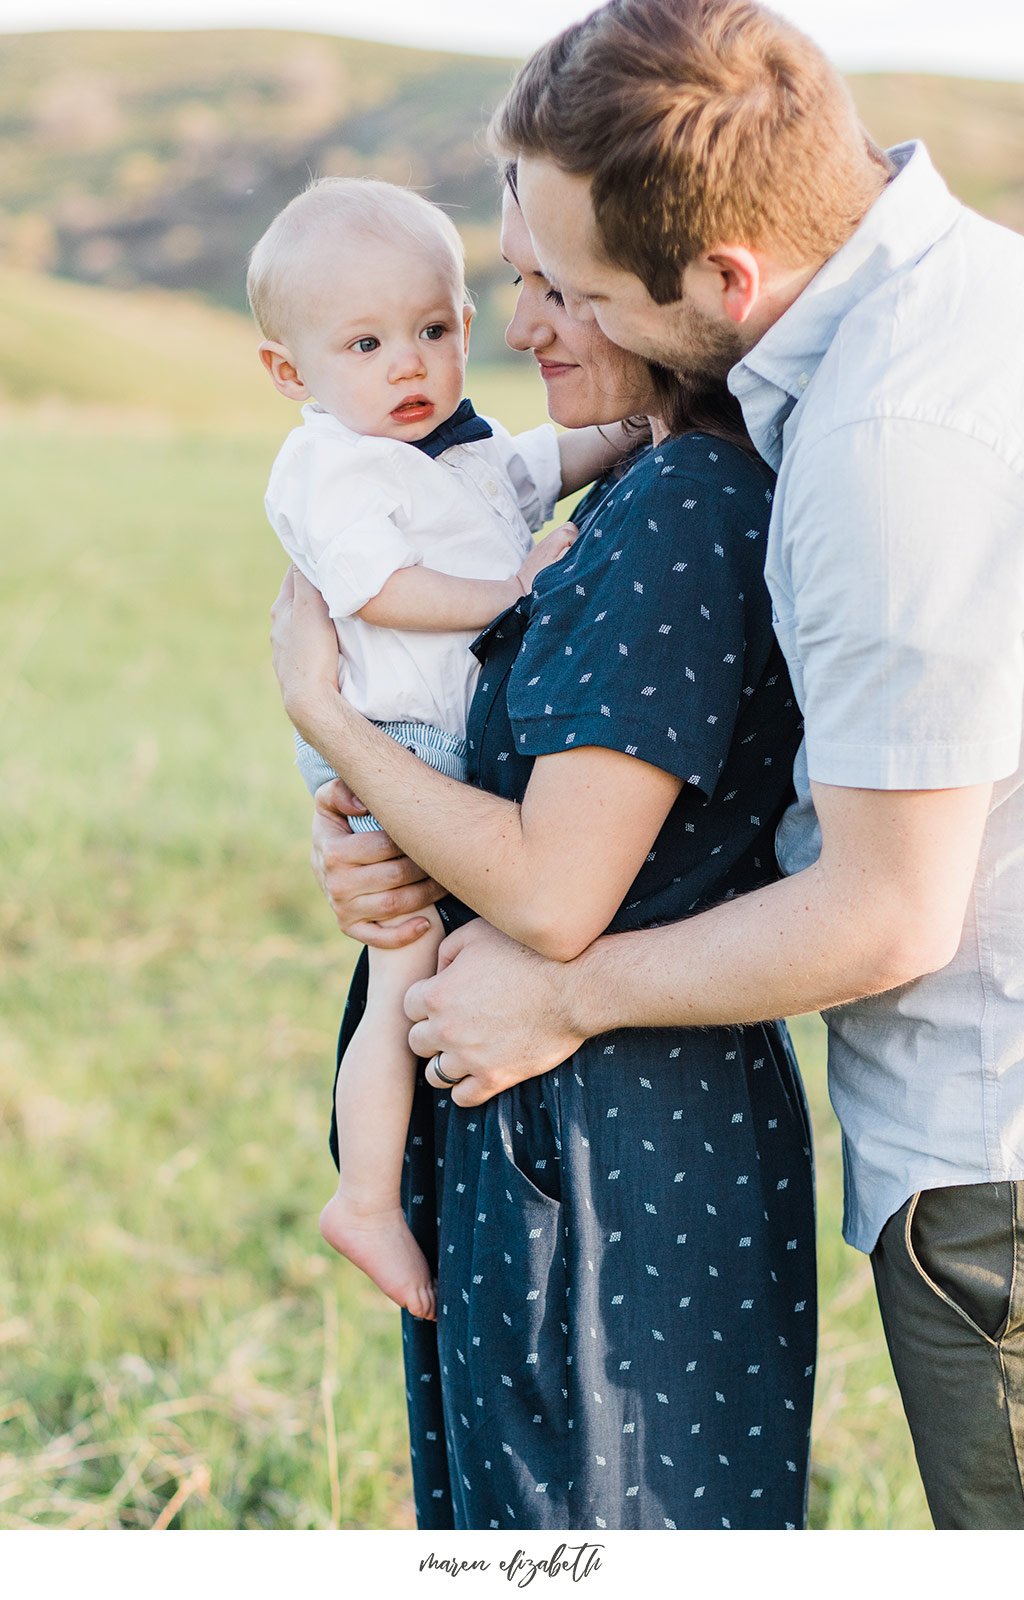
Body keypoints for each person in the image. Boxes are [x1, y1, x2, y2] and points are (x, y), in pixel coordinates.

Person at [344, 0, 1022, 1531]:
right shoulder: (967, 303)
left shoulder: (879, 447)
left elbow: (887, 912)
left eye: (571, 290)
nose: (537, 328)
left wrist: (557, 982)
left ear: (728, 278)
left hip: (997, 1161)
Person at [269, 179, 816, 1530]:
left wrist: (331, 719)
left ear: (677, 288)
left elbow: (552, 889)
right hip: (553, 1092)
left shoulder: (685, 499)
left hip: (599, 1135)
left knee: (592, 1520)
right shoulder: (646, 481)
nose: (514, 330)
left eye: (554, 287)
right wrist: (374, 828)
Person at [248, 175, 625, 1322]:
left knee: (452, 951)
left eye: (431, 330)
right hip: (397, 737)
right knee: (404, 964)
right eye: (364, 343)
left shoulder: (460, 451)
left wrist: (648, 423)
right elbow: (377, 585)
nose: (406, 366)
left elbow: (552, 460)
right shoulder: (332, 466)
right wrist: (508, 587)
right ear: (290, 371)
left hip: (442, 739)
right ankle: (364, 1193)